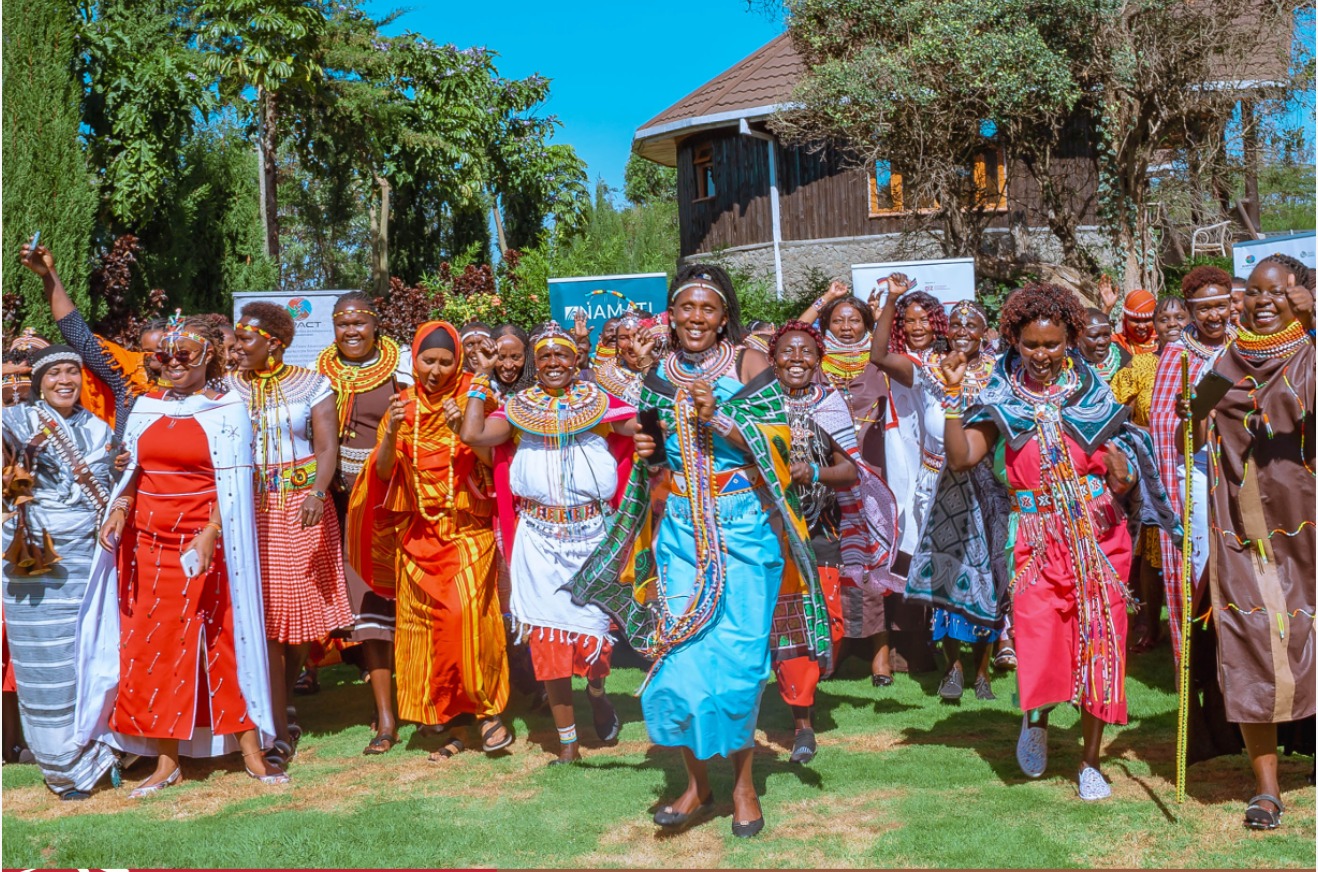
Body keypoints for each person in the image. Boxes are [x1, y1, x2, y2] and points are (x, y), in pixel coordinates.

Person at [573, 264, 831, 837]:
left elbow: (779, 443)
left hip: (745, 528)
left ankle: (743, 788)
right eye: (686, 308)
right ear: (673, 314)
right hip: (683, 532)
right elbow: (658, 450)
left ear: (723, 317)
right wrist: (649, 450)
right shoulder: (658, 375)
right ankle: (696, 784)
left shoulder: (749, 365)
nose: (696, 319)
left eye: (707, 309)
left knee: (737, 670)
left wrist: (723, 420)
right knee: (681, 662)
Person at [942, 282, 1177, 800]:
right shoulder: (1000, 398)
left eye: (1052, 344)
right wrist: (955, 400)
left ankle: (1091, 761)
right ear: (1014, 341)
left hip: (1100, 535)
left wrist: (1125, 476)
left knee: (1101, 640)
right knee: (1039, 638)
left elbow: (1126, 476)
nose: (1042, 355)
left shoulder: (1094, 394)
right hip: (1036, 537)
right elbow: (962, 459)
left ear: (1070, 339)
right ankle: (1038, 718)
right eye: (1031, 344)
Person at [78, 315, 286, 796]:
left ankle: (251, 751)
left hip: (206, 540)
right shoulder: (146, 406)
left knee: (221, 638)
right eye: (163, 357)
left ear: (207, 355)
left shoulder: (228, 407)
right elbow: (133, 472)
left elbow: (236, 479)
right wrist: (119, 509)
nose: (172, 364)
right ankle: (165, 760)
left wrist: (213, 529)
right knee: (152, 645)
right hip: (146, 543)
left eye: (184, 355)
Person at [1177, 256, 1315, 830]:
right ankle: (1267, 787)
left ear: (1301, 296)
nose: (1261, 301)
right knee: (1251, 642)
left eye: (1276, 292)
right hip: (1245, 535)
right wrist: (1231, 365)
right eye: (1252, 292)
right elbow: (1194, 413)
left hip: (1309, 530)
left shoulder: (1312, 357)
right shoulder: (1225, 364)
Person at [460, 322, 636, 764]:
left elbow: (641, 424)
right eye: (545, 357)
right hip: (538, 540)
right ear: (534, 366)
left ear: (576, 361)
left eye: (562, 355)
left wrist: (641, 372)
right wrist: (481, 379)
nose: (554, 363)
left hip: (594, 537)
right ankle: (568, 744)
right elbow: (473, 435)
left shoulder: (600, 403)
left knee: (595, 641)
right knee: (549, 642)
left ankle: (596, 691)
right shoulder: (518, 409)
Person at [346, 321, 512, 757]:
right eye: (428, 360)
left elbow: (493, 457)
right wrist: (393, 434)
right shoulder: (400, 406)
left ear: (457, 362)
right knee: (426, 630)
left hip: (466, 533)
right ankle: (449, 716)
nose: (436, 370)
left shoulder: (477, 397)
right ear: (414, 360)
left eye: (445, 361)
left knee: (468, 623)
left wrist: (463, 428)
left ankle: (487, 711)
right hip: (418, 536)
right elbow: (383, 473)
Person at [769, 320, 896, 763]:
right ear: (774, 359)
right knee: (794, 626)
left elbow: (851, 470)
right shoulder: (759, 406)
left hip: (823, 527)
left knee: (831, 625)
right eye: (788, 352)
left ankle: (801, 684)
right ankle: (802, 724)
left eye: (806, 352)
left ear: (819, 359)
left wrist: (812, 472)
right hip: (771, 530)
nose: (797, 359)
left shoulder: (831, 404)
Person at [230, 302, 349, 767]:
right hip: (250, 508)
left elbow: (326, 445)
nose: (237, 347)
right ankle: (277, 726)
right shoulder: (227, 388)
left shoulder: (314, 384)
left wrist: (319, 493)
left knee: (298, 619)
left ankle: (286, 699)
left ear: (273, 343)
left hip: (301, 506)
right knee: (268, 622)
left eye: (246, 339)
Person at [2, 346, 120, 798]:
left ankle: (95, 751)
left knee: (87, 656)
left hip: (88, 560)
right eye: (54, 373)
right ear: (39, 381)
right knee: (42, 664)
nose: (64, 380)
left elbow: (114, 485)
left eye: (72, 371)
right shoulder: (16, 422)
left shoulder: (99, 428)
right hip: (31, 557)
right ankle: (60, 767)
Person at [905, 301, 1011, 702]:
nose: (963, 330)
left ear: (985, 332)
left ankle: (982, 671)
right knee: (946, 569)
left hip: (990, 486)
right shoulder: (934, 367)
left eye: (972, 325)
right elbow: (881, 358)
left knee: (992, 575)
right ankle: (953, 669)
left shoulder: (1001, 373)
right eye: (955, 324)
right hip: (941, 483)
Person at [315, 292, 406, 755]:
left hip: (394, 503)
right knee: (367, 608)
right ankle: (385, 718)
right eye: (341, 323)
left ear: (375, 324)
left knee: (405, 606)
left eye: (359, 323)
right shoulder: (317, 376)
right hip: (342, 505)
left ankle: (416, 701)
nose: (351, 331)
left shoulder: (400, 371)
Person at [800, 282, 902, 684]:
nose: (845, 327)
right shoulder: (813, 361)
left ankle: (880, 656)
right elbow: (783, 336)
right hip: (822, 479)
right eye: (838, 320)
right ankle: (833, 647)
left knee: (872, 562)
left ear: (867, 323)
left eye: (854, 319)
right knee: (830, 562)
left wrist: (887, 305)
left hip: (872, 474)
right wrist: (822, 298)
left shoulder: (879, 362)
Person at [1150, 267, 1233, 662]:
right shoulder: (1177, 355)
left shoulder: (1245, 345)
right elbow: (1164, 426)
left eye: (1222, 305)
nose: (1215, 316)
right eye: (1205, 309)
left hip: (1237, 471)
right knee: (1198, 562)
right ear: (1190, 311)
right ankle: (1198, 659)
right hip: (1195, 474)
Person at [868, 276, 949, 676]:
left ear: (938, 322)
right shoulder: (914, 365)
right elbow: (878, 356)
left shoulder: (954, 362)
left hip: (952, 466)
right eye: (910, 321)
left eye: (924, 320)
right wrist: (891, 301)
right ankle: (913, 646)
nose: (917, 327)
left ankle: (953, 649)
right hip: (914, 468)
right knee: (908, 550)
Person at [1110, 294, 1189, 651]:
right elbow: (1112, 414)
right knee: (1154, 550)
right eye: (1164, 319)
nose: (1172, 325)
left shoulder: (1204, 359)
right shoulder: (1140, 367)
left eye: (1178, 317)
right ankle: (1148, 622)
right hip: (1153, 471)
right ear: (1154, 326)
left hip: (1196, 466)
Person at [19, 244, 164, 435]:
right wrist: (49, 274)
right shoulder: (129, 380)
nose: (156, 357)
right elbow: (77, 334)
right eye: (148, 352)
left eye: (167, 349)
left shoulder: (208, 393)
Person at [592, 310, 646, 406]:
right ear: (616, 342)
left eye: (637, 336)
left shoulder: (664, 372)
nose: (631, 345)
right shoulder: (604, 377)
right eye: (623, 338)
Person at [1076, 308, 1129, 382]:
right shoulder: (1069, 364)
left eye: (1106, 335)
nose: (1102, 342)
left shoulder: (1123, 358)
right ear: (1077, 337)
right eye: (1094, 336)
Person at [490, 323, 535, 399]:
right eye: (500, 358)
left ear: (526, 355)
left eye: (516, 357)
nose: (508, 365)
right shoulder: (482, 389)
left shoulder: (538, 390)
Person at [1113, 289, 1157, 357]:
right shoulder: (1118, 343)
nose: (1142, 326)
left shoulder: (1164, 342)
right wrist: (1107, 308)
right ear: (1126, 319)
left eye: (1147, 320)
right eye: (1136, 320)